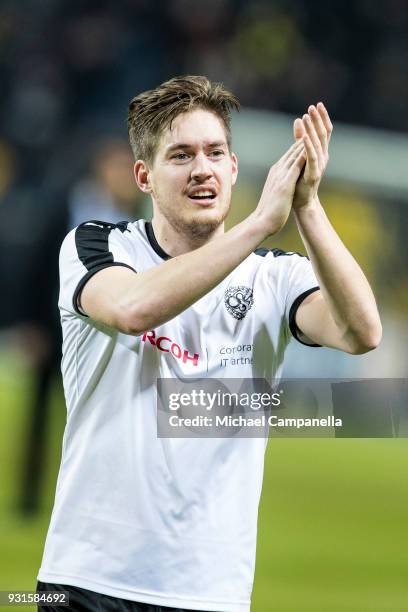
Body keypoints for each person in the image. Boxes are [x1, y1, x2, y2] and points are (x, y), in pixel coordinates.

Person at [37, 76, 381, 612]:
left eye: (215, 152)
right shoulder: (98, 245)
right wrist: (259, 224)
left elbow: (362, 333)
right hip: (89, 581)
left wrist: (307, 205)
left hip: (210, 591)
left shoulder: (275, 277)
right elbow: (132, 310)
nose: (203, 168)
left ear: (234, 167)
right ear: (144, 176)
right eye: (181, 155)